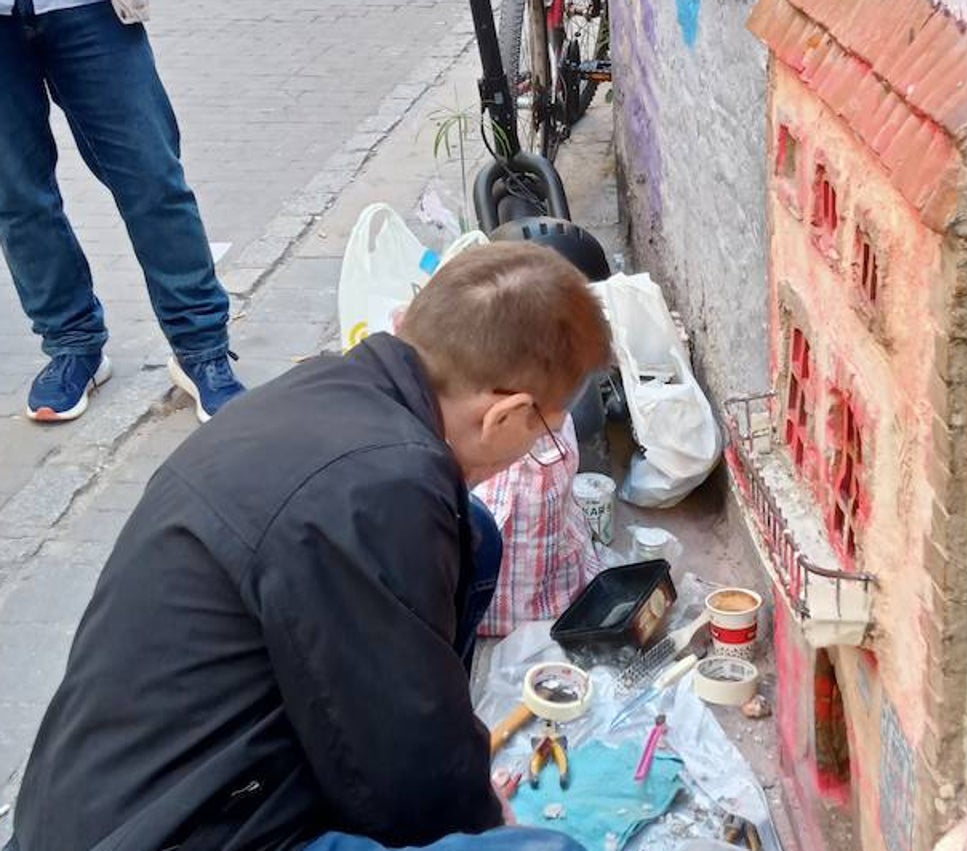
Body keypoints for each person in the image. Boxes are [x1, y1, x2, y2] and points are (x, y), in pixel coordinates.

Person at [4, 242, 611, 851]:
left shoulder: (330, 388)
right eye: (543, 431)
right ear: (506, 415)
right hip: (186, 829)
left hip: (110, 797)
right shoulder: (385, 488)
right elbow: (411, 768)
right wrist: (480, 814)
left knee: (472, 533)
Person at [0, 0, 244, 424]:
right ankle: (73, 345)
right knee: (18, 197)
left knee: (152, 178)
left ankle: (202, 350)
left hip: (87, 10)